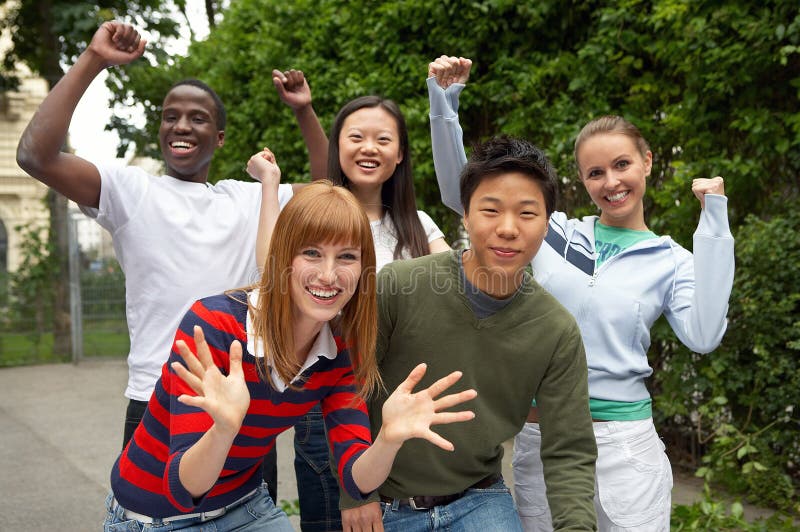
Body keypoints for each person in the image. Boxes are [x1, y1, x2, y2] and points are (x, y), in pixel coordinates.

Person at [427, 56, 735, 531]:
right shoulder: (555, 233)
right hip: (542, 437)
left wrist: (714, 219)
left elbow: (705, 334)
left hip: (627, 447)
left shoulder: (671, 259)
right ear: (582, 180)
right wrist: (444, 107)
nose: (611, 182)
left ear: (647, 162)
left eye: (622, 165)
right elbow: (464, 194)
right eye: (595, 173)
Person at [15, 21, 296, 494]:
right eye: (170, 116)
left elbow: (335, 190)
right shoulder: (131, 191)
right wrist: (93, 59)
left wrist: (302, 113)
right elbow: (35, 156)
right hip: (156, 404)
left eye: (198, 117)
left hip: (239, 405)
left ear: (221, 137)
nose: (181, 125)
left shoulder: (250, 200)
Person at [103, 180, 478, 531]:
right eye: (312, 253)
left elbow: (354, 478)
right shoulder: (214, 325)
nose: (329, 275)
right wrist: (224, 429)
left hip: (246, 506)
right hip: (154, 516)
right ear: (284, 257)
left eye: (346, 257)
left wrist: (388, 440)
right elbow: (186, 487)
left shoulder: (341, 349)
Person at [340, 136, 598, 531]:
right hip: (384, 500)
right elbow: (348, 387)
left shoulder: (555, 330)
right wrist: (356, 493)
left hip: (478, 498)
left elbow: (569, 448)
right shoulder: (399, 285)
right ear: (465, 215)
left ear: (547, 223)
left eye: (527, 214)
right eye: (490, 210)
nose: (508, 229)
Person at [272, 69, 451, 530]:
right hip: (328, 393)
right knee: (337, 519)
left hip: (399, 393)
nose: (369, 147)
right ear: (338, 148)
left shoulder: (420, 226)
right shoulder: (314, 220)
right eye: (356, 136)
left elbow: (461, 287)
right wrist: (304, 113)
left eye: (383, 139)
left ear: (400, 155)